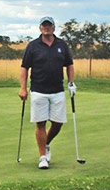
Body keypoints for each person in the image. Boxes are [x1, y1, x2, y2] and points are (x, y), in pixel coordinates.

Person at [19, 16, 76, 169]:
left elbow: (69, 65)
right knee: (40, 123)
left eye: (49, 25)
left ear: (53, 27)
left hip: (57, 90)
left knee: (58, 123)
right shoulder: (33, 46)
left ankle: (47, 143)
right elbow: (24, 67)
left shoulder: (61, 45)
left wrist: (71, 83)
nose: (47, 28)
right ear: (40, 28)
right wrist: (23, 88)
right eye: (44, 25)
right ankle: (43, 156)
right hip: (38, 90)